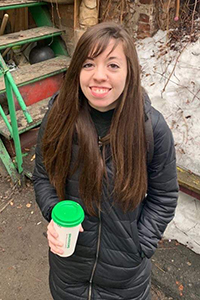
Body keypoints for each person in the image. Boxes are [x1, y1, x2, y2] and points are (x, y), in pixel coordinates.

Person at [33, 22, 179, 300]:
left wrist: (140, 245)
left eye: (112, 65)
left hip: (126, 283)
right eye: (88, 64)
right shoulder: (59, 118)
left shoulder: (152, 128)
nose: (99, 76)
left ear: (129, 72)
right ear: (77, 70)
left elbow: (164, 195)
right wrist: (55, 213)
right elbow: (42, 177)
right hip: (68, 275)